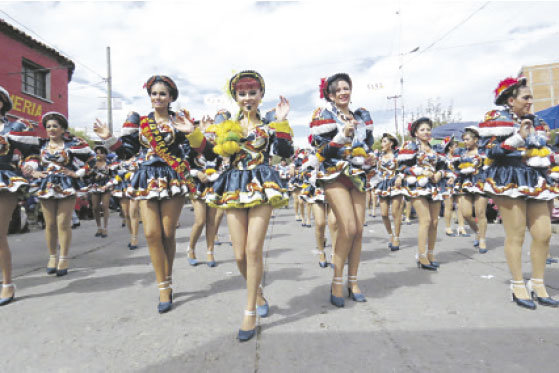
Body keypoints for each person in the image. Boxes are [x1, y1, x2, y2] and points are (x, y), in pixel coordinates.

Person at [94, 75, 201, 313]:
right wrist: (107, 138)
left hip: (171, 177)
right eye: (154, 93)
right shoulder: (140, 122)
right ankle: (162, 286)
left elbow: (193, 151)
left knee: (167, 232)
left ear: (171, 97)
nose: (158, 97)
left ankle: (168, 277)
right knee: (152, 234)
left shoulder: (179, 121)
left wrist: (193, 134)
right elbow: (126, 152)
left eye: (163, 94)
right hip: (145, 177)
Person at [205, 70, 293, 341]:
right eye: (242, 93)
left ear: (261, 95)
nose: (247, 98)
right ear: (236, 97)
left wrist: (281, 123)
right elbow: (209, 156)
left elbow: (285, 154)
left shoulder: (269, 124)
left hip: (262, 183)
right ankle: (257, 292)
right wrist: (198, 138)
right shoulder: (225, 125)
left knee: (254, 249)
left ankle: (249, 311)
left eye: (252, 92)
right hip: (233, 187)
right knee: (240, 255)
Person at [479, 76, 559, 309]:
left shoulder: (537, 122)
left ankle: (538, 282)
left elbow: (545, 150)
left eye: (531, 97)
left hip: (534, 178)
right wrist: (518, 138)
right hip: (509, 179)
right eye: (526, 97)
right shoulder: (496, 120)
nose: (530, 102)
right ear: (510, 99)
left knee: (543, 233)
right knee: (516, 235)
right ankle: (517, 284)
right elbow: (491, 152)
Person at [310, 73, 374, 307]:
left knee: (358, 230)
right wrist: (340, 136)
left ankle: (353, 281)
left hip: (358, 173)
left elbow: (368, 144)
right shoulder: (323, 116)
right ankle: (337, 280)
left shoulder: (361, 116)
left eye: (346, 88)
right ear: (330, 95)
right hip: (334, 174)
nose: (342, 92)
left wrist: (369, 158)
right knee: (346, 226)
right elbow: (320, 151)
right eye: (337, 90)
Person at [24, 112, 95, 277]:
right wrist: (34, 173)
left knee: (63, 223)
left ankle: (64, 257)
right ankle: (52, 257)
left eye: (55, 126)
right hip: (46, 185)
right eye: (48, 126)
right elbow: (27, 160)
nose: (51, 129)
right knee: (49, 224)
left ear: (62, 128)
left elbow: (91, 159)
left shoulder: (72, 146)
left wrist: (77, 173)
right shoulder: (40, 146)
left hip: (66, 185)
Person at [0, 86, 40, 305]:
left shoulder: (12, 128)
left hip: (3, 180)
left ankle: (7, 284)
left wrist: (30, 164)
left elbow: (31, 152)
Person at [398, 117, 452, 270]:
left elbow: (445, 167)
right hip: (418, 187)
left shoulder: (437, 148)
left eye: (428, 129)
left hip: (434, 187)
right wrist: (420, 171)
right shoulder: (410, 147)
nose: (427, 132)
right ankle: (421, 256)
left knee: (435, 222)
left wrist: (439, 174)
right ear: (415, 132)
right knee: (426, 220)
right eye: (423, 129)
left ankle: (430, 253)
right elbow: (401, 167)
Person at [185, 113, 224, 268]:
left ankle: (210, 252)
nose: (208, 126)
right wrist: (198, 173)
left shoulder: (219, 145)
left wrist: (214, 175)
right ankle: (191, 249)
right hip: (197, 185)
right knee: (200, 221)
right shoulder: (193, 144)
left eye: (211, 124)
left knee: (211, 221)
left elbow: (223, 165)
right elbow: (185, 164)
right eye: (204, 124)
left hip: (213, 185)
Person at [453, 127, 489, 253]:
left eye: (467, 139)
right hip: (465, 183)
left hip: (480, 182)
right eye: (464, 140)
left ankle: (482, 240)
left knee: (480, 213)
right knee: (466, 213)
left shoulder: (483, 152)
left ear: (476, 139)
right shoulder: (461, 153)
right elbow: (456, 168)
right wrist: (454, 177)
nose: (465, 142)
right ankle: (478, 232)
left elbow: (490, 166)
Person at [112, 112, 141, 250]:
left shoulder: (141, 152)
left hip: (136, 182)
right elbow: (113, 163)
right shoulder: (120, 153)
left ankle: (135, 238)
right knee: (126, 213)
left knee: (133, 212)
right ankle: (132, 236)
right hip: (122, 183)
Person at [299, 152, 330, 267]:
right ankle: (321, 253)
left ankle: (335, 252)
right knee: (320, 223)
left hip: (334, 187)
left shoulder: (337, 148)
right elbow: (304, 170)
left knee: (334, 223)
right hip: (317, 189)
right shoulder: (312, 155)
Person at [375, 133, 404, 251]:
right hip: (383, 185)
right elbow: (376, 170)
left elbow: (404, 167)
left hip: (395, 184)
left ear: (391, 143)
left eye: (384, 141)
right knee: (384, 214)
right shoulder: (380, 156)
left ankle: (396, 238)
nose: (382, 144)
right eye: (382, 142)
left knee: (395, 213)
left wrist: (400, 177)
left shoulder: (398, 155)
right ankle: (390, 235)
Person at [88, 145, 114, 237]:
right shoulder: (92, 163)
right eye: (97, 153)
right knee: (95, 207)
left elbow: (114, 175)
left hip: (106, 187)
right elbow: (87, 174)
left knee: (105, 206)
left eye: (101, 153)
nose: (98, 155)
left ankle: (105, 228)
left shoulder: (110, 163)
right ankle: (99, 227)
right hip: (95, 186)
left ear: (105, 155)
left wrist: (109, 183)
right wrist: (92, 171)